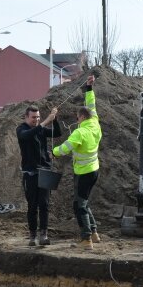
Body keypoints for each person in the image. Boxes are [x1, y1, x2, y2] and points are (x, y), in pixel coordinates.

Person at [53, 74, 102, 250]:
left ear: (81, 117)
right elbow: (91, 104)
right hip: (94, 170)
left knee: (79, 205)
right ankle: (94, 233)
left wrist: (54, 151)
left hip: (83, 173)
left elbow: (65, 148)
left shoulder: (79, 133)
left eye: (77, 117)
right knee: (84, 201)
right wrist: (89, 88)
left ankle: (86, 238)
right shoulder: (95, 122)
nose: (76, 119)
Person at [17, 105, 61, 246]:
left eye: (38, 117)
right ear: (26, 117)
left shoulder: (41, 130)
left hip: (45, 171)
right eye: (33, 117)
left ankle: (44, 234)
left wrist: (54, 119)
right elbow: (28, 136)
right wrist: (46, 121)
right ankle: (32, 236)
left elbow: (57, 133)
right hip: (30, 174)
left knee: (44, 204)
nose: (36, 120)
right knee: (32, 205)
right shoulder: (21, 129)